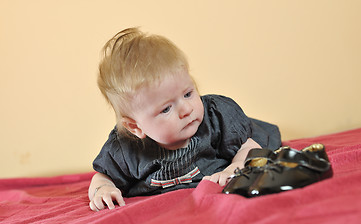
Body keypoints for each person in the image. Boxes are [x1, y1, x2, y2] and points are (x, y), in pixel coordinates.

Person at [88, 27, 281, 211]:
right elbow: (103, 176)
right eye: (166, 109)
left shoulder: (216, 120)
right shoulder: (125, 149)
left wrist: (236, 166)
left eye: (188, 94)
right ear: (135, 127)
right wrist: (102, 190)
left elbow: (248, 146)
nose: (186, 109)